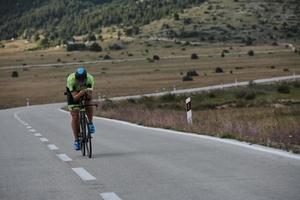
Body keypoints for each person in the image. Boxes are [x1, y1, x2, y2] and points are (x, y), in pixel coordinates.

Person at [66, 67, 95, 150]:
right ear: (76, 78)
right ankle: (77, 140)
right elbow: (75, 98)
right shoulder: (71, 80)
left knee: (88, 102)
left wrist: (86, 94)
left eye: (83, 79)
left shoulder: (90, 79)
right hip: (73, 93)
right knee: (75, 116)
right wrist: (81, 93)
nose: (81, 81)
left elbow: (90, 96)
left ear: (86, 78)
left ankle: (90, 123)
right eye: (79, 79)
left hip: (85, 91)